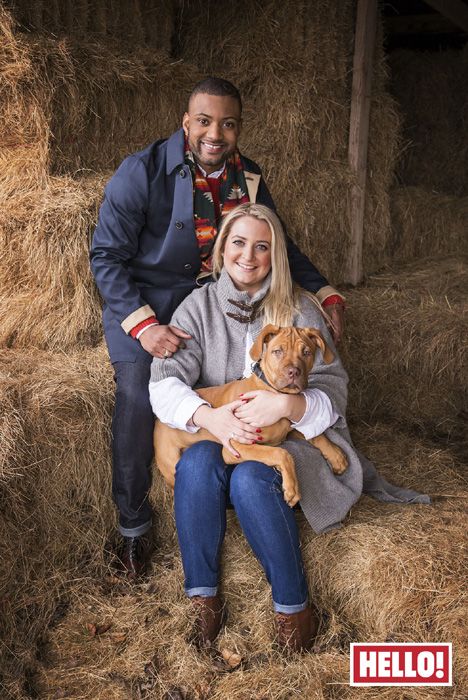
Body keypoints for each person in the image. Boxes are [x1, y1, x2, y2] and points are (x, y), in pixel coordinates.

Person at [90, 77, 345, 577]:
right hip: (144, 305)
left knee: (237, 388)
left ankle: (237, 477)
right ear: (186, 122)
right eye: (204, 121)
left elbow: (275, 241)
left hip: (211, 304)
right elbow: (106, 256)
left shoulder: (246, 176)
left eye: (227, 124)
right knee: (143, 391)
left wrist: (326, 290)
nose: (215, 133)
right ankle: (134, 529)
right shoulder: (140, 172)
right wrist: (143, 327)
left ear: (238, 129)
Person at [149, 203, 430, 652]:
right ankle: (203, 602)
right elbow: (163, 385)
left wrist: (286, 402)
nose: (248, 255)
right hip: (219, 438)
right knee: (198, 463)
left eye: (262, 246)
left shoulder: (300, 307)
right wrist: (210, 417)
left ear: (276, 255)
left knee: (251, 477)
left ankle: (294, 608)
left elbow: (334, 394)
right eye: (238, 243)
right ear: (221, 249)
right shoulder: (195, 309)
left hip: (298, 446)